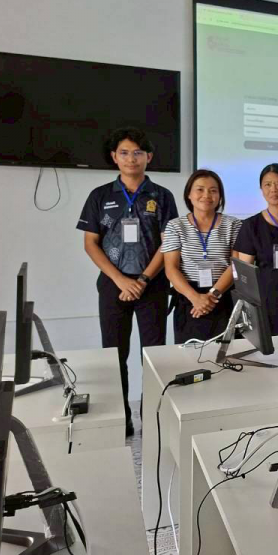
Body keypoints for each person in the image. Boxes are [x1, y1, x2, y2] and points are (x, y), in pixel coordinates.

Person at [77, 127, 178, 437]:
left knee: (153, 355)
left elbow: (168, 243)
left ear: (149, 157)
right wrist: (121, 280)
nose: (131, 158)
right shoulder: (100, 196)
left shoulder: (163, 196)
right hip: (113, 285)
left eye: (137, 152)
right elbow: (90, 243)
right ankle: (121, 418)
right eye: (124, 152)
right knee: (114, 354)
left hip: (153, 285)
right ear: (114, 157)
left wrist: (144, 278)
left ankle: (152, 417)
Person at [161, 170, 242, 343]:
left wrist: (212, 295)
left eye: (213, 190)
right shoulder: (175, 226)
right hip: (188, 298)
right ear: (189, 194)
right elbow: (171, 268)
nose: (207, 195)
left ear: (220, 196)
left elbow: (236, 264)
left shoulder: (233, 224)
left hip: (224, 296)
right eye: (200, 189)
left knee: (227, 353)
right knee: (190, 354)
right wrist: (195, 298)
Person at [232, 163, 278, 336]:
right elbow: (245, 272)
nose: (273, 189)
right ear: (261, 189)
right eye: (267, 184)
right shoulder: (251, 225)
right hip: (266, 300)